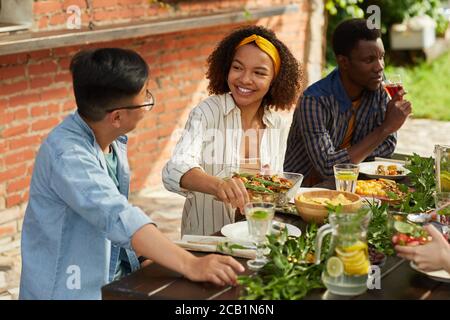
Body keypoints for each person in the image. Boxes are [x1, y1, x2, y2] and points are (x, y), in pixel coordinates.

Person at [19, 48, 244, 300]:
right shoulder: (68, 156)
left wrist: (143, 256)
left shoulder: (109, 138)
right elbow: (117, 216)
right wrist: (191, 265)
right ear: (117, 117)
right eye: (145, 98)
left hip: (109, 278)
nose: (149, 101)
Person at [163, 25, 302, 236]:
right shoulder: (207, 112)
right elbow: (174, 169)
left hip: (257, 237)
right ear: (226, 68)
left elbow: (274, 185)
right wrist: (218, 185)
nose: (245, 79)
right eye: (238, 68)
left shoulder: (278, 124)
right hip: (207, 238)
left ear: (275, 80)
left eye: (259, 73)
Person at [284, 18, 412, 186]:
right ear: (344, 62)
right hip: (304, 189)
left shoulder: (378, 86)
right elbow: (328, 169)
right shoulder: (314, 100)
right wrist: (385, 128)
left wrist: (345, 157)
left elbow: (387, 147)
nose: (379, 67)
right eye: (369, 60)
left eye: (381, 57)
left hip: (353, 182)